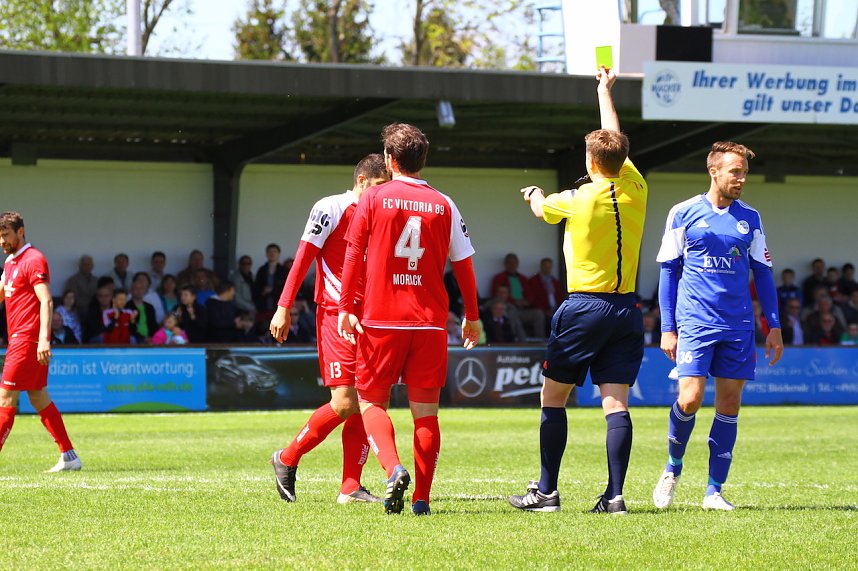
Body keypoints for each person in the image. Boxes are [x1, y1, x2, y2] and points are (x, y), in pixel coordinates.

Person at [508, 67, 646, 515]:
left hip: (584, 307)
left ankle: (546, 491)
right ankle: (616, 496)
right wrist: (605, 92)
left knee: (553, 397)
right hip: (626, 308)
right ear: (622, 162)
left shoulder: (575, 197)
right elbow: (614, 137)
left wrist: (532, 193)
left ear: (590, 163)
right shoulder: (636, 188)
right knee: (615, 402)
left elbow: (540, 209)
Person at [338, 126, 481, 516]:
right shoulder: (445, 203)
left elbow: (352, 255)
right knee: (426, 413)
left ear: (389, 157)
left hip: (380, 318)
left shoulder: (374, 197)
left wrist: (345, 306)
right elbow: (464, 264)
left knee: (370, 402)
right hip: (430, 323)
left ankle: (392, 468)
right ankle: (421, 500)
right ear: (424, 159)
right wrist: (472, 316)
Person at [653, 140, 784, 512]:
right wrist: (668, 326)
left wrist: (772, 326)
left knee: (729, 403)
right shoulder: (683, 212)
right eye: (735, 172)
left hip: (738, 325)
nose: (741, 178)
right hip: (695, 321)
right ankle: (672, 468)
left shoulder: (751, 218)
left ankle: (713, 491)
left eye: (744, 172)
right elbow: (668, 271)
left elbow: (763, 274)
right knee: (690, 398)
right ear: (714, 171)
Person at [269, 154, 390, 505]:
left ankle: (350, 486)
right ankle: (287, 457)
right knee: (345, 401)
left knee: (371, 401)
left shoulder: (381, 213)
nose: (384, 194)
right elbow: (303, 257)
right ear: (363, 181)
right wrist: (284, 306)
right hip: (335, 316)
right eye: (380, 187)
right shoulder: (331, 208)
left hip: (371, 319)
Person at [0, 211, 82, 471]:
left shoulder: (34, 259)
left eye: (5, 236)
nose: (2, 241)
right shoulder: (11, 263)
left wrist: (44, 340)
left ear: (20, 232)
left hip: (27, 339)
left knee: (5, 398)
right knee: (38, 397)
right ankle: (69, 456)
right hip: (20, 339)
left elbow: (46, 300)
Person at [490, 253, 545, 339]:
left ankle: (540, 341)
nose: (512, 265)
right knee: (513, 312)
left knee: (539, 314)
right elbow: (496, 295)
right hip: (507, 309)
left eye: (514, 263)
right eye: (509, 263)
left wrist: (526, 301)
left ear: (517, 264)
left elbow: (530, 294)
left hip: (523, 310)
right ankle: (516, 341)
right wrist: (514, 301)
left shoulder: (523, 278)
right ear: (505, 264)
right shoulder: (499, 278)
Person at [528, 257, 563, 335]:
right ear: (541, 266)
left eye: (549, 267)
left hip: (556, 309)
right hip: (543, 310)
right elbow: (533, 299)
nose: (547, 269)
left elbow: (560, 297)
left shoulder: (555, 282)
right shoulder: (533, 281)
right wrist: (545, 310)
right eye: (545, 267)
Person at [254, 243, 288, 322]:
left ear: (278, 254)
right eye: (270, 252)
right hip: (263, 306)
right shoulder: (262, 270)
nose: (272, 254)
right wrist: (263, 291)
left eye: (274, 251)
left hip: (279, 306)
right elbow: (256, 287)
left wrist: (272, 290)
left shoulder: (284, 271)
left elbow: (286, 288)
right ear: (266, 254)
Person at [126, 273, 159, 344]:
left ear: (145, 291)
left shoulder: (150, 307)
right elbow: (129, 328)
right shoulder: (127, 307)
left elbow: (154, 325)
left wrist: (153, 337)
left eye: (141, 288)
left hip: (150, 338)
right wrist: (143, 338)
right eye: (136, 288)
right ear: (131, 291)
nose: (139, 291)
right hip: (135, 339)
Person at [64, 254, 97, 320]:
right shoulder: (72, 280)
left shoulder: (97, 280)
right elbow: (74, 299)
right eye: (84, 264)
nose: (87, 266)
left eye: (89, 264)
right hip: (78, 311)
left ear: (92, 266)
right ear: (80, 266)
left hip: (95, 311)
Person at [228, 255, 257, 321]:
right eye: (243, 263)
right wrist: (252, 308)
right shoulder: (234, 278)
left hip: (253, 309)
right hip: (240, 309)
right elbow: (236, 297)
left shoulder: (253, 277)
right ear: (239, 265)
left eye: (248, 263)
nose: (246, 266)